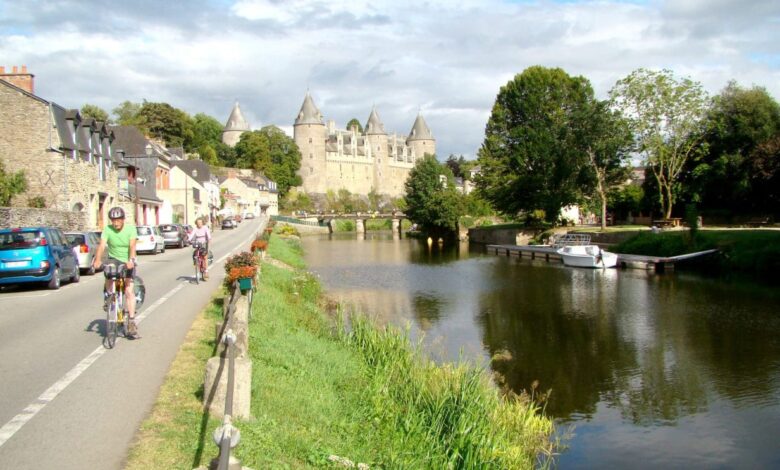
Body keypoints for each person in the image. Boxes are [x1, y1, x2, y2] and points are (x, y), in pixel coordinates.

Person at [92, 206, 139, 338]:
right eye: (113, 220)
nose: (115, 223)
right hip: (113, 258)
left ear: (123, 220)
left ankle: (131, 320)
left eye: (118, 220)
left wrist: (131, 260)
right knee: (108, 274)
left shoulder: (130, 229)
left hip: (127, 260)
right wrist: (97, 260)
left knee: (129, 290)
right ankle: (109, 296)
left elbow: (132, 246)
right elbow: (102, 245)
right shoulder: (107, 229)